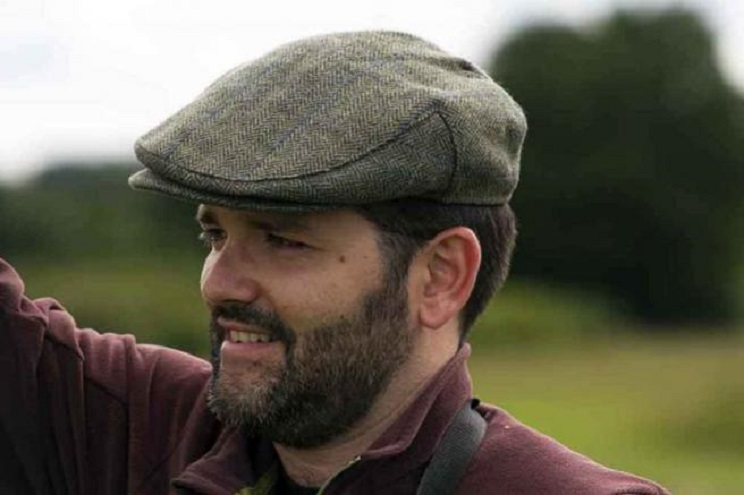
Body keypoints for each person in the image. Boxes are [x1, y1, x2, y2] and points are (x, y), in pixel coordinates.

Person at [0, 31, 670, 495]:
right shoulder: (134, 427)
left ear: (440, 277)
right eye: (215, 235)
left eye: (283, 240)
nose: (219, 283)